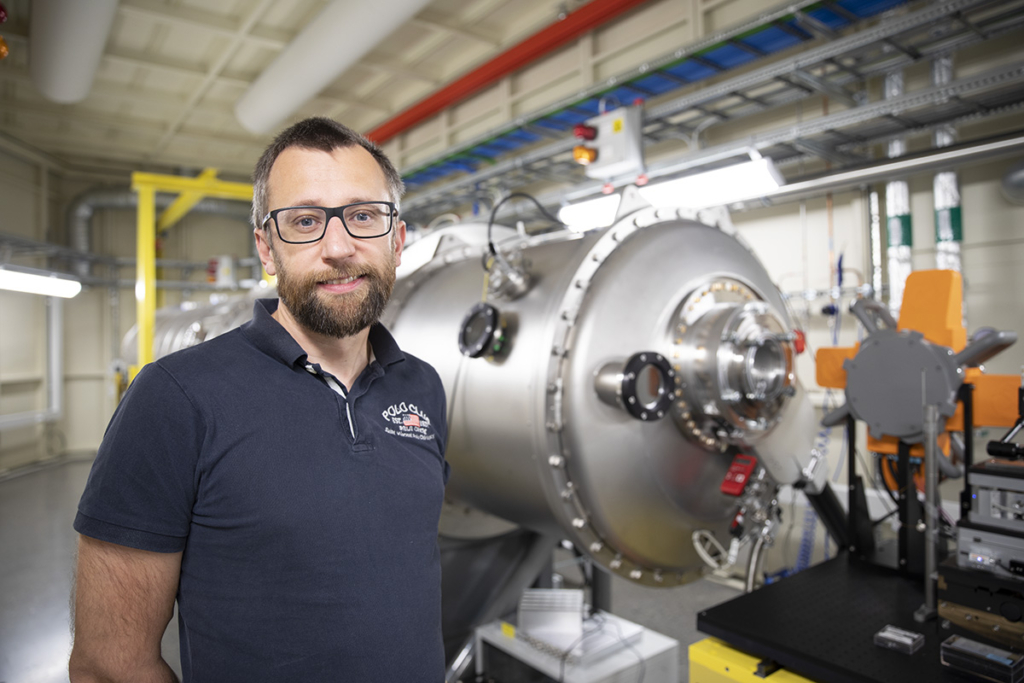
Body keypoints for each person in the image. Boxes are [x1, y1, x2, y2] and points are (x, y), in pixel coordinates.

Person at [68, 117, 450, 683]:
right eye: (305, 221)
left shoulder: (422, 386)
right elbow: (109, 664)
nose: (339, 247)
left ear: (396, 239)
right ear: (267, 248)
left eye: (364, 216)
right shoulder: (176, 397)